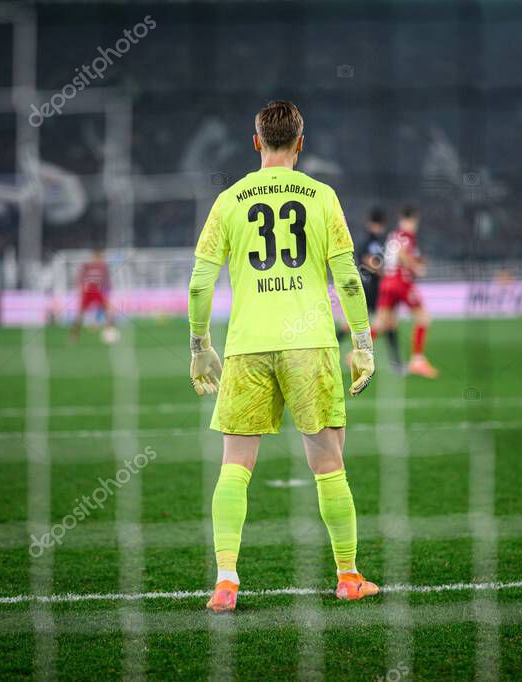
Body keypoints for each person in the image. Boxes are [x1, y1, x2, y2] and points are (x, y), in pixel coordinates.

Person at [187, 100, 378, 613]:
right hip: (309, 344)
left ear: (255, 142)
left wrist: (200, 345)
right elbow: (348, 279)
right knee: (328, 465)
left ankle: (226, 581)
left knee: (234, 467)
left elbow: (200, 281)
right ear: (301, 141)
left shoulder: (229, 199)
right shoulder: (321, 196)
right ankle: (348, 576)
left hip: (248, 346)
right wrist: (361, 342)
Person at [373, 205, 438, 378]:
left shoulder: (393, 235)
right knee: (423, 318)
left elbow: (394, 255)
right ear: (411, 220)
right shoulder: (406, 235)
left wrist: (416, 261)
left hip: (387, 281)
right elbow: (402, 254)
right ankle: (417, 361)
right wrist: (416, 266)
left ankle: (357, 354)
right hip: (401, 282)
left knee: (382, 323)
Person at [355, 208, 403, 371]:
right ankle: (394, 362)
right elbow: (366, 260)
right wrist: (385, 273)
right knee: (386, 324)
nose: (377, 227)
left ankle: (395, 362)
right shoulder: (368, 241)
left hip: (377, 288)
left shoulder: (381, 240)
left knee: (388, 323)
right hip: (369, 288)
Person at [69, 249, 115, 342]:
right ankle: (74, 334)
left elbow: (106, 279)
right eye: (98, 258)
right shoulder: (87, 266)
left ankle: (109, 331)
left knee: (109, 309)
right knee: (80, 313)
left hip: (98, 291)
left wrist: (109, 287)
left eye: (100, 258)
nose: (99, 260)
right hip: (88, 291)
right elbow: (80, 277)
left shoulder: (103, 267)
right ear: (94, 258)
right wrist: (80, 287)